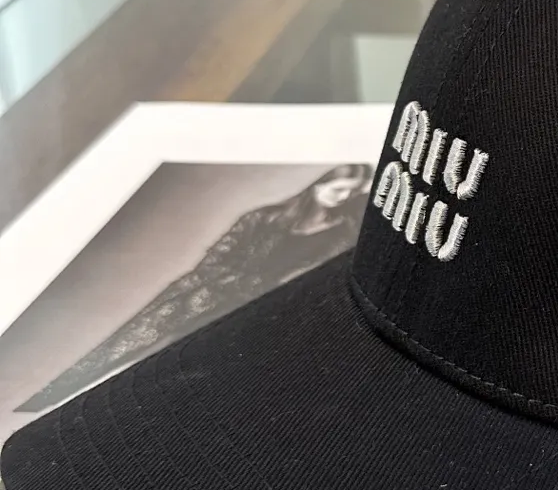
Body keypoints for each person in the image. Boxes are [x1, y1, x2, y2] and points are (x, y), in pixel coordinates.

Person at [19, 166, 372, 413]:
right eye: (338, 189)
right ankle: (62, 403)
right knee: (135, 349)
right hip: (202, 296)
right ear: (318, 185)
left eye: (352, 192)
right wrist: (246, 285)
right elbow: (213, 262)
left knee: (180, 375)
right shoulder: (263, 217)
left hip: (251, 313)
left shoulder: (342, 231)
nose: (343, 197)